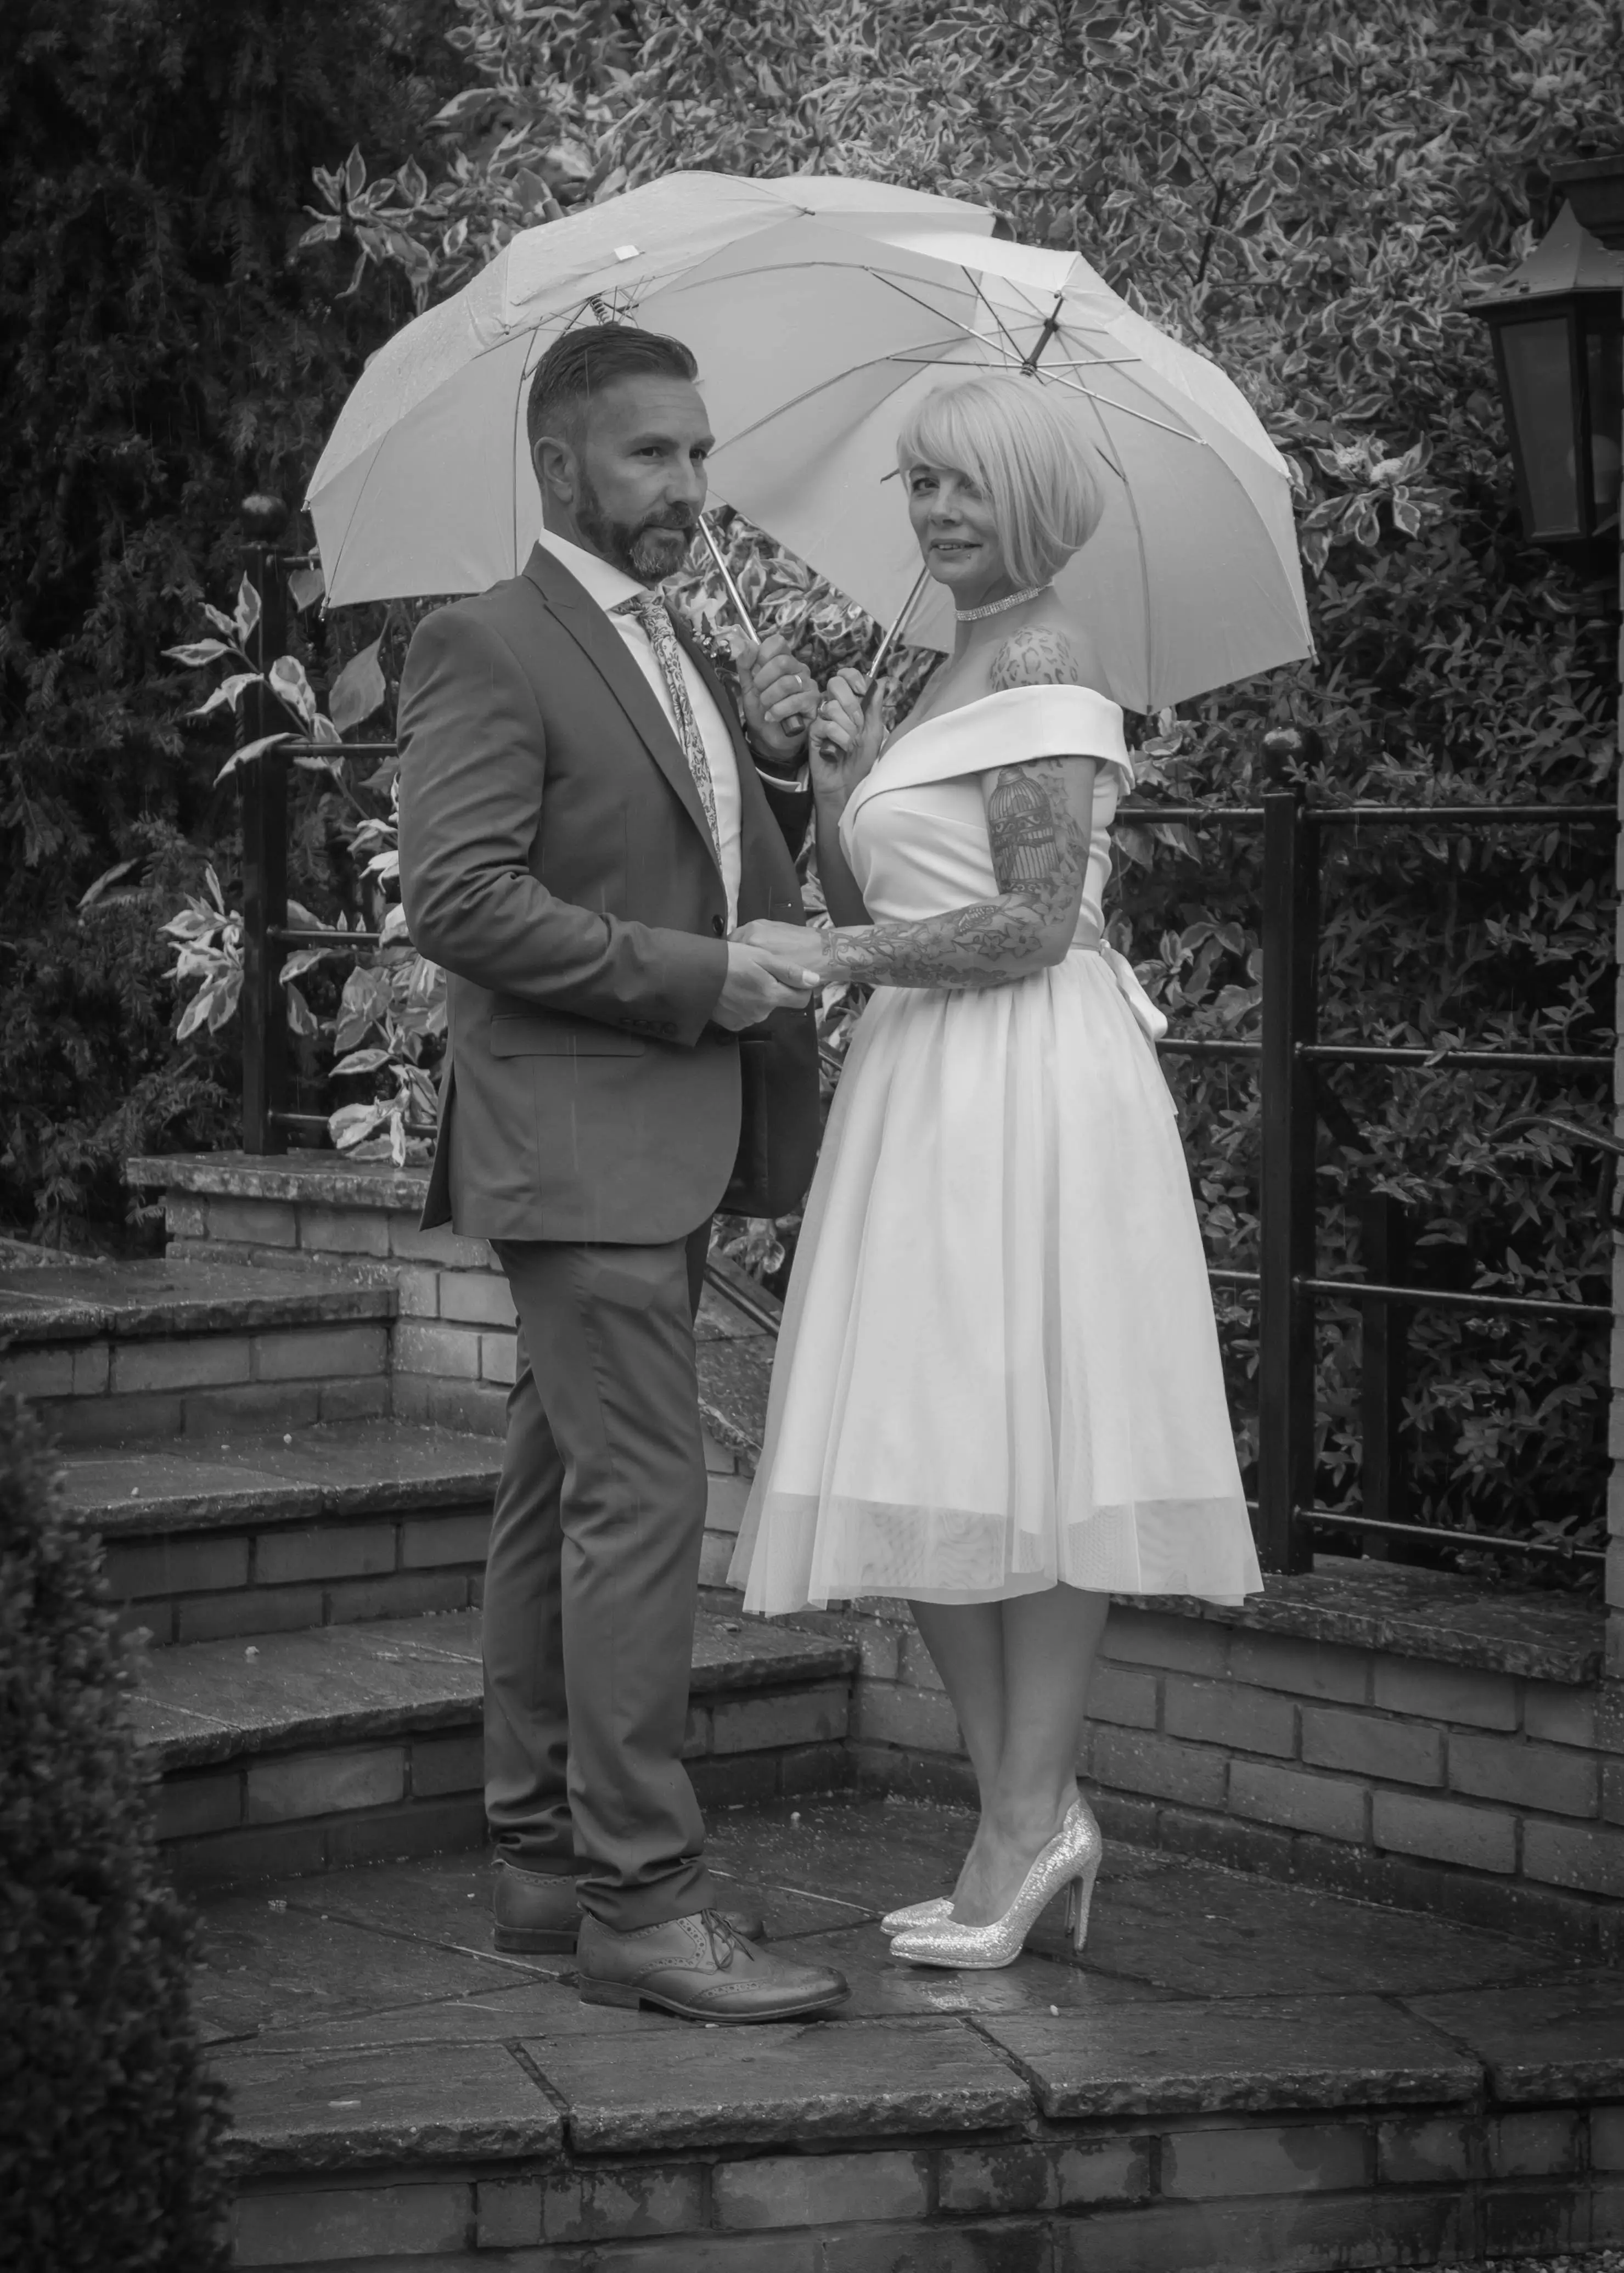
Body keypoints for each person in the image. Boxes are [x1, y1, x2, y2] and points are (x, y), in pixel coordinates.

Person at [728, 372, 1262, 1971]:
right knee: (934, 1447)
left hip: (1025, 1083)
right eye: (916, 484)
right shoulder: (946, 663)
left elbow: (1030, 923)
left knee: (1026, 1450)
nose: (930, 510)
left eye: (958, 483)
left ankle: (1020, 1820)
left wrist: (834, 948)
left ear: (1024, 495)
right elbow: (883, 888)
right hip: (924, 1083)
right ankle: (1022, 1814)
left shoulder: (1039, 651)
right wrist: (831, 786)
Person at [397, 323, 848, 2023]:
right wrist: (694, 977)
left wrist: (782, 764)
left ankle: (538, 1860)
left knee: (554, 1503)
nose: (689, 485)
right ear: (564, 463)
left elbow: (728, 867)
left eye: (699, 452)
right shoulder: (485, 642)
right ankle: (645, 1902)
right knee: (645, 1505)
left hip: (655, 1142)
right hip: (579, 1138)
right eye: (654, 454)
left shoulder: (681, 649)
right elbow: (461, 899)